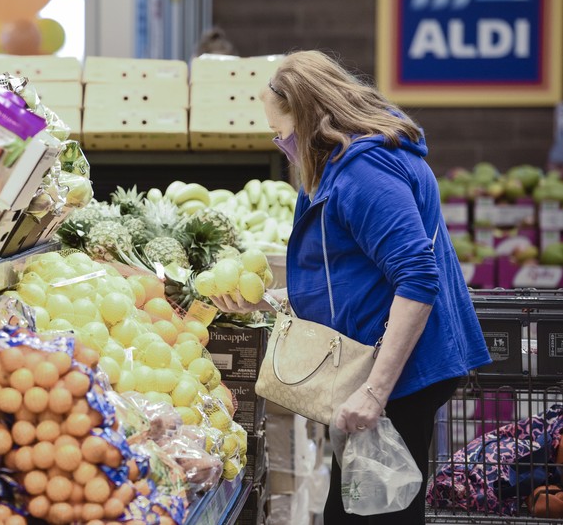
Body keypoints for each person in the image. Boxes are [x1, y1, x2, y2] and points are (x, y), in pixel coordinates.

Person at [211, 50, 492, 524]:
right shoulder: (341, 164)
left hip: (400, 373)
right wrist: (271, 302)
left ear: (310, 122)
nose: (280, 144)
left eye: (282, 136)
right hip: (378, 364)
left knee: (373, 513)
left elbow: (418, 277)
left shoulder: (365, 172)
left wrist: (375, 393)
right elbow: (350, 272)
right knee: (360, 506)